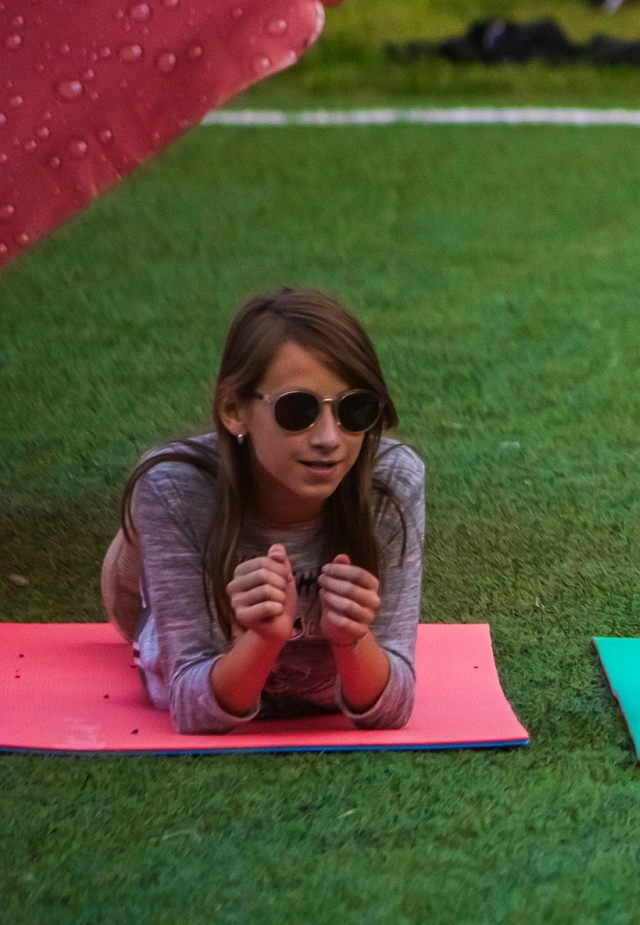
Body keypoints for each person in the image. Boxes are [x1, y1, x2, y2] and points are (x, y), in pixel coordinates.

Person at [103, 289, 425, 733]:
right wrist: (263, 641)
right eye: (298, 409)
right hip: (174, 549)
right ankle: (139, 541)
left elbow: (395, 706)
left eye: (355, 408)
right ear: (234, 410)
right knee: (148, 547)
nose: (330, 438)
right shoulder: (177, 488)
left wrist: (353, 641)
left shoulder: (389, 480)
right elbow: (190, 705)